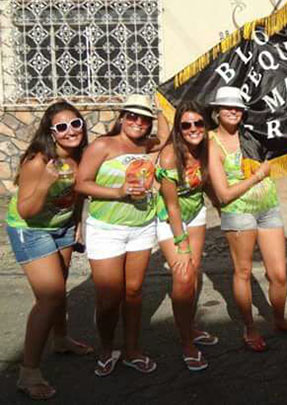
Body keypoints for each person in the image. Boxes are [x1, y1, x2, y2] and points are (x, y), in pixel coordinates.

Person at [208, 86, 287, 353]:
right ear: (217, 111)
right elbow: (223, 194)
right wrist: (258, 176)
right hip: (238, 212)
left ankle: (279, 320)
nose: (233, 111)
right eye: (227, 106)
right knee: (243, 272)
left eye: (238, 107)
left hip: (269, 208)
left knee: (279, 274)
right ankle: (250, 328)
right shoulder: (212, 143)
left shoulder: (253, 134)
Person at [5, 101, 92, 399]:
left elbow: (78, 193)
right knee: (50, 296)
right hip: (30, 229)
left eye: (75, 123)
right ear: (51, 132)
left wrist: (78, 222)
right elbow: (26, 210)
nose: (70, 131)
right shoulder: (37, 161)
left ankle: (61, 339)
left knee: (59, 287)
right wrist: (45, 182)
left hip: (63, 228)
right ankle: (28, 373)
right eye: (62, 127)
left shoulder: (81, 156)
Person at [75, 94, 165, 376]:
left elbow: (166, 136)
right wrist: (118, 192)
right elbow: (81, 184)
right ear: (122, 117)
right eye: (132, 116)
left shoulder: (147, 144)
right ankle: (106, 349)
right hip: (107, 229)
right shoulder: (103, 145)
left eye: (144, 118)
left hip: (142, 226)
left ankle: (132, 350)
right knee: (109, 298)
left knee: (134, 292)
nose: (138, 122)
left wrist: (162, 106)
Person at [155, 101, 216, 371]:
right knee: (183, 275)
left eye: (198, 123)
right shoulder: (170, 155)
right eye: (186, 125)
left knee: (194, 270)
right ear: (178, 129)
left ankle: (190, 328)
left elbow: (207, 185)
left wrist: (223, 206)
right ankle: (186, 343)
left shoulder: (206, 149)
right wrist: (181, 244)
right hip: (170, 218)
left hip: (196, 213)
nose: (193, 129)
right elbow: (172, 206)